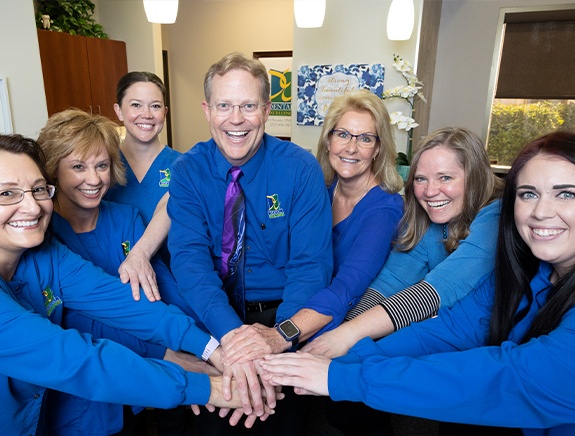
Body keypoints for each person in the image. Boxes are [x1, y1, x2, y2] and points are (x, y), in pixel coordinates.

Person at [261, 130, 575, 435]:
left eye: (566, 194)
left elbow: (439, 294)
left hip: (500, 387)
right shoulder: (536, 275)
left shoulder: (496, 220)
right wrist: (338, 354)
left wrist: (342, 370)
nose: (541, 212)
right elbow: (447, 321)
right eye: (529, 194)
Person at [0, 133, 250, 435]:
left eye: (38, 190)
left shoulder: (47, 256)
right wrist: (204, 386)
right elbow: (80, 360)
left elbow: (124, 303)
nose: (33, 207)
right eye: (7, 194)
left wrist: (212, 350)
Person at [166, 52, 333, 433]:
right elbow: (190, 263)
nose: (236, 119)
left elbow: (311, 266)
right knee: (207, 422)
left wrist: (277, 343)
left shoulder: (300, 168)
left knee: (281, 421)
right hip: (212, 317)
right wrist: (232, 340)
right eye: (224, 105)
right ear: (207, 110)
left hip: (283, 318)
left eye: (248, 105)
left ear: (267, 109)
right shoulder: (187, 171)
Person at [37, 109, 212, 434]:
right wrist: (164, 352)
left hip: (148, 381)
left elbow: (161, 287)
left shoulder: (126, 218)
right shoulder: (43, 236)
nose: (94, 179)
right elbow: (79, 321)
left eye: (101, 165)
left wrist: (209, 343)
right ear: (53, 171)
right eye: (78, 166)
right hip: (83, 395)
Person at [222, 89, 404, 369]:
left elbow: (345, 290)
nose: (351, 148)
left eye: (365, 138)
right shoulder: (318, 188)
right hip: (296, 314)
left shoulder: (383, 210)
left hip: (340, 338)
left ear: (378, 148)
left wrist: (282, 335)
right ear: (328, 139)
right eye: (342, 134)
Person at [304, 127, 504, 359]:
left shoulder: (497, 217)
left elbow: (437, 290)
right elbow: (389, 283)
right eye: (420, 179)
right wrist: (339, 332)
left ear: (476, 177)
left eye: (445, 178)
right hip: (445, 337)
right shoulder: (428, 218)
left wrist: (346, 336)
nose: (430, 191)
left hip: (486, 350)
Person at [107, 71, 180, 300]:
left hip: (176, 286)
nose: (146, 115)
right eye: (136, 105)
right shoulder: (100, 168)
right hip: (118, 284)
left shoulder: (184, 166)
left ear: (165, 113)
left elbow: (170, 206)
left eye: (155, 106)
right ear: (118, 110)